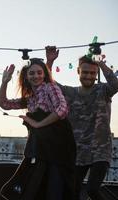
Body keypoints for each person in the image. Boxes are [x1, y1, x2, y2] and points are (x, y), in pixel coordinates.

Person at [46, 46, 118, 200]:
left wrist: (100, 63)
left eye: (92, 73)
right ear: (78, 72)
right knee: (73, 191)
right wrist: (50, 61)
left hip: (100, 151)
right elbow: (48, 83)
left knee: (92, 189)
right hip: (78, 152)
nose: (89, 76)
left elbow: (115, 84)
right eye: (85, 72)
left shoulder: (103, 90)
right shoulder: (69, 92)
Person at [0, 59, 76, 200]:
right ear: (26, 77)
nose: (36, 76)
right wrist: (5, 82)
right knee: (37, 185)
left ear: (45, 74)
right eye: (32, 73)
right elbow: (4, 104)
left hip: (58, 146)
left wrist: (37, 124)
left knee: (55, 184)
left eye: (39, 72)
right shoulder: (30, 98)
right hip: (42, 148)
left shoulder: (50, 87)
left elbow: (63, 109)